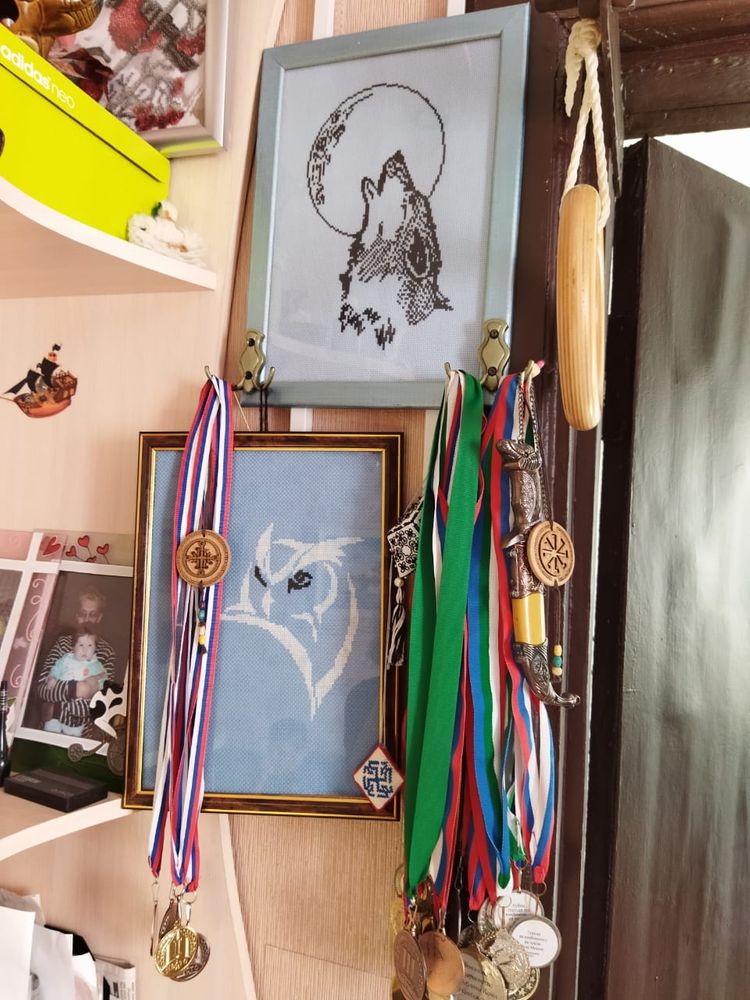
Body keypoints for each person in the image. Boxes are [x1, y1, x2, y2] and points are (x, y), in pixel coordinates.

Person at [36, 589, 115, 736]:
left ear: (99, 617)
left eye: (92, 614)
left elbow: (103, 701)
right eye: (82, 613)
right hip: (50, 728)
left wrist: (60, 707)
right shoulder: (62, 643)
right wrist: (78, 689)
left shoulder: (107, 651)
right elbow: (42, 688)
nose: (87, 619)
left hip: (83, 733)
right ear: (77, 616)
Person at [43, 627, 107, 735]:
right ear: (73, 647)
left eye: (90, 645)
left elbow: (103, 684)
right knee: (49, 731)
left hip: (78, 711)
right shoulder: (66, 659)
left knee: (73, 735)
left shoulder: (97, 666)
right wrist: (52, 677)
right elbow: (55, 669)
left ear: (95, 648)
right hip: (58, 704)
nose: (85, 649)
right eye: (81, 645)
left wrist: (96, 690)